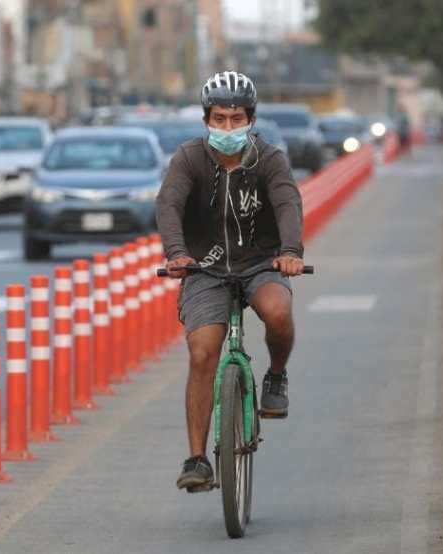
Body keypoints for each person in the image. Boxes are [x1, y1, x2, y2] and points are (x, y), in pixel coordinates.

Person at [155, 71, 305, 491]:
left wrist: (291, 252)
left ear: (251, 119)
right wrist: (176, 254)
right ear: (206, 120)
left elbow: (287, 202)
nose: (227, 127)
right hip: (204, 268)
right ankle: (198, 459)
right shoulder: (188, 159)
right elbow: (168, 204)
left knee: (277, 312)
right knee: (203, 352)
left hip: (261, 264)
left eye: (236, 119)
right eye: (219, 118)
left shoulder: (269, 160)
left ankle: (275, 374)